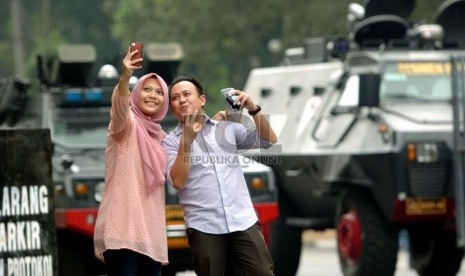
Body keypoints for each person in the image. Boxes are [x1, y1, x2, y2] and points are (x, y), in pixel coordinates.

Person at [162, 76, 277, 276]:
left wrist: (253, 108)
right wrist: (186, 142)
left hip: (243, 221)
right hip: (204, 226)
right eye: (175, 97)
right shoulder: (170, 143)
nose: (181, 100)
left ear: (202, 100)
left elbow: (269, 141)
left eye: (187, 94)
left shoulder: (224, 127)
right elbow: (178, 181)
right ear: (172, 107)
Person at [93, 44, 169, 276]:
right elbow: (119, 106)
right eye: (147, 89)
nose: (153, 96)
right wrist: (126, 76)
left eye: (159, 92)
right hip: (122, 232)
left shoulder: (161, 137)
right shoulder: (125, 126)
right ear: (137, 93)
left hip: (151, 236)